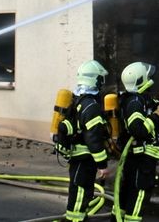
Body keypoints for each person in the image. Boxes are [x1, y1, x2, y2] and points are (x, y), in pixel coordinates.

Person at [55, 60, 111, 222]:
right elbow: (93, 139)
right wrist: (103, 165)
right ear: (95, 79)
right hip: (84, 158)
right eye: (101, 79)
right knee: (80, 192)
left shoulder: (78, 99)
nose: (102, 83)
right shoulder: (91, 106)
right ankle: (75, 220)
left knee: (79, 189)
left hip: (78, 156)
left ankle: (77, 218)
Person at [114, 62, 159, 222]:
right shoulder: (134, 103)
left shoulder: (140, 100)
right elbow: (138, 130)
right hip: (141, 161)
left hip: (138, 160)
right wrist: (157, 115)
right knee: (138, 197)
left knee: (126, 196)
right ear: (141, 79)